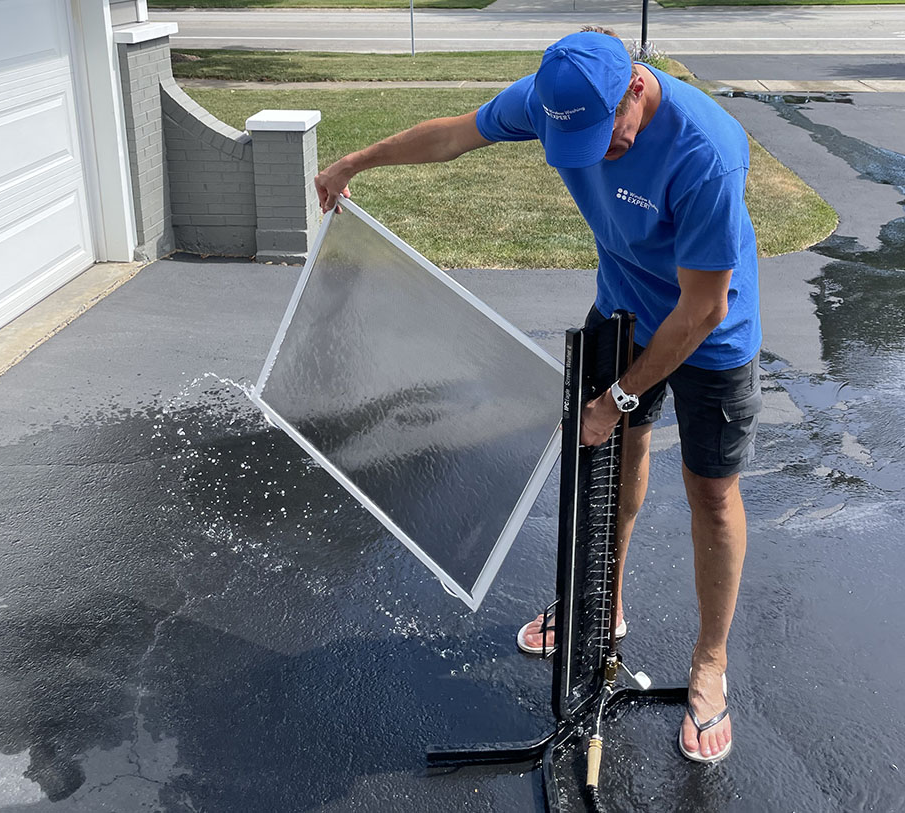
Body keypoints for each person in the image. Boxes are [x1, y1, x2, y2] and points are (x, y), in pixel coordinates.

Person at [313, 28, 761, 764]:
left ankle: (710, 664)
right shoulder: (559, 99)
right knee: (612, 469)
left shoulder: (705, 151)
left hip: (709, 333)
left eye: (607, 139)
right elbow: (453, 136)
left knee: (711, 494)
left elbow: (702, 308)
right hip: (621, 310)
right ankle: (601, 607)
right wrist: (354, 161)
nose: (596, 155)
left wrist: (614, 396)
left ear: (637, 90)